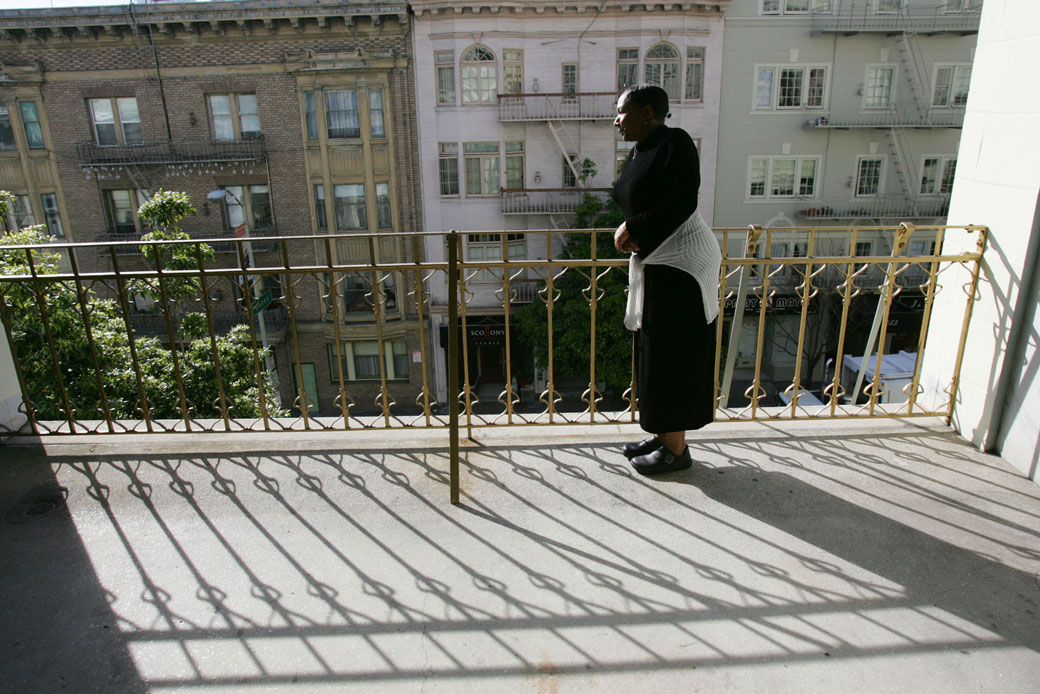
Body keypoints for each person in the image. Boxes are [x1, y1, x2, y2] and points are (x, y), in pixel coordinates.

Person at [611, 84, 722, 475]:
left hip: (683, 266)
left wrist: (635, 227)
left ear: (646, 112)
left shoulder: (676, 142)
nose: (616, 120)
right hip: (659, 263)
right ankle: (662, 435)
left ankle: (676, 450)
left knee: (671, 357)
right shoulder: (642, 150)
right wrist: (632, 227)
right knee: (652, 353)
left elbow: (680, 200)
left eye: (622, 112)